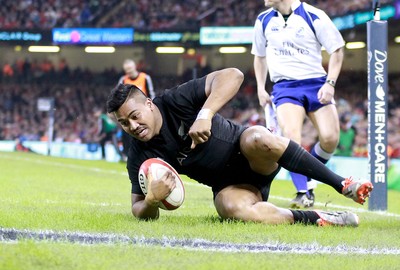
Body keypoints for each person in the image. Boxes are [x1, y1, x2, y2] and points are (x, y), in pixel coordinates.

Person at [106, 68, 373, 227]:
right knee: (230, 209)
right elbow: (138, 208)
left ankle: (343, 184)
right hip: (231, 186)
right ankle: (318, 218)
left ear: (149, 104)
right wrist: (152, 200)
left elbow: (233, 75)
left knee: (258, 136)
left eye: (134, 115)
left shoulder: (175, 100)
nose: (132, 125)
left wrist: (205, 114)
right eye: (124, 123)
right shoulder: (138, 152)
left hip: (252, 154)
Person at [252, 0, 345, 208]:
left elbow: (337, 49)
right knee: (292, 138)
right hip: (285, 88)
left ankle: (309, 176)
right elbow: (259, 57)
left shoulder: (314, 15)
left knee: (330, 139)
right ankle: (303, 192)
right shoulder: (263, 20)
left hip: (317, 84)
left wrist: (330, 83)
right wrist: (260, 87)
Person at [117, 59, 156, 161]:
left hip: (142, 111)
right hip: (127, 111)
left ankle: (149, 154)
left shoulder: (145, 78)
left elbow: (151, 93)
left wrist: (152, 107)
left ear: (134, 67)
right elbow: (118, 96)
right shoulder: (123, 80)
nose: (129, 71)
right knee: (126, 131)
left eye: (130, 69)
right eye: (126, 70)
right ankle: (127, 155)